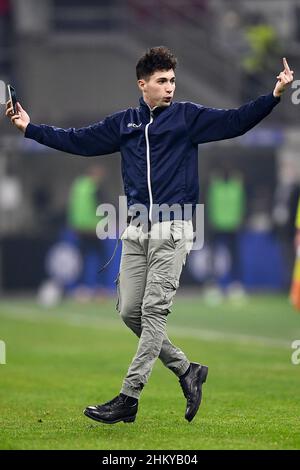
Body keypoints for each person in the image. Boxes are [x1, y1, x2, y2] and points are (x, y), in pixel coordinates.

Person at [6, 47, 294, 424]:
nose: (170, 87)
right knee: (129, 311)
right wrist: (31, 128)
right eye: (162, 81)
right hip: (136, 228)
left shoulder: (188, 117)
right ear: (143, 84)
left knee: (154, 312)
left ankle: (129, 396)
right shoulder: (123, 123)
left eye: (173, 80)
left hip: (174, 227)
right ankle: (188, 370)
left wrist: (273, 96)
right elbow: (78, 140)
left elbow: (236, 121)